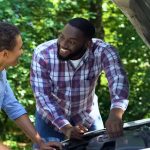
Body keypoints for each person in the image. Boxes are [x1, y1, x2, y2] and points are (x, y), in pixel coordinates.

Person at [30, 18, 129, 142]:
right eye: (61, 37)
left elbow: (118, 79)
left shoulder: (103, 51)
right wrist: (66, 128)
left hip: (87, 117)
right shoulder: (42, 54)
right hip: (50, 120)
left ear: (88, 44)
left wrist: (116, 113)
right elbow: (43, 96)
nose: (63, 45)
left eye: (72, 42)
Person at [0, 22, 62, 150]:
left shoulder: (2, 72)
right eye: (20, 48)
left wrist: (40, 143)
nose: (21, 52)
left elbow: (13, 106)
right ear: (4, 54)